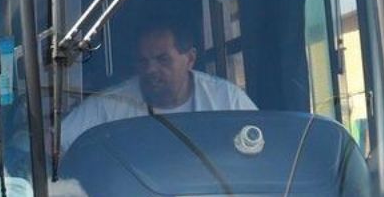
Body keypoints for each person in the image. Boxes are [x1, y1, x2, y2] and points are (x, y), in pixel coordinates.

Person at [59, 16, 257, 148]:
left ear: (190, 59)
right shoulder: (108, 106)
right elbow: (59, 144)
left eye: (163, 60)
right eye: (143, 61)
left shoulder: (228, 100)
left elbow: (262, 144)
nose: (151, 70)